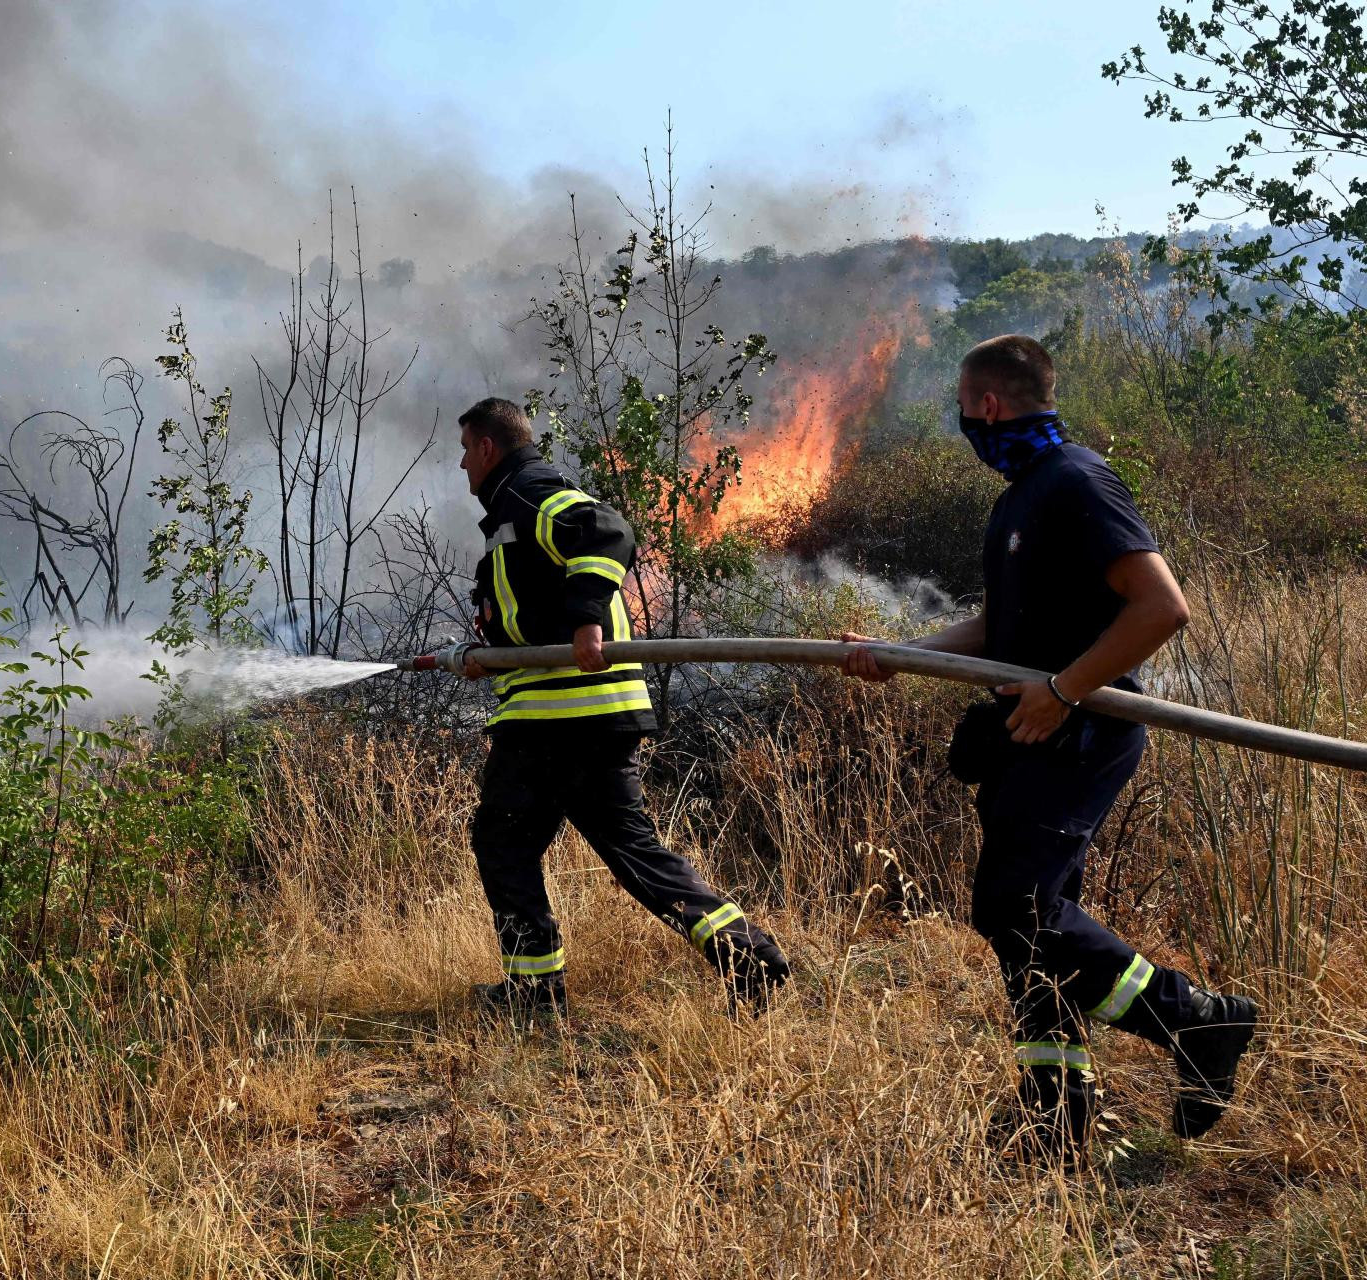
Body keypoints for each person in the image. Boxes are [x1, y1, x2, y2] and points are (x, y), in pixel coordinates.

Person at [840, 335, 1259, 1159]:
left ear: (988, 404)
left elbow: (1163, 608)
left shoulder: (1077, 481)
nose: (964, 421)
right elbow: (998, 627)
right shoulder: (1021, 498)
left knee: (1013, 908)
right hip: (1027, 736)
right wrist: (900, 653)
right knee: (1030, 926)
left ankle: (1198, 1020)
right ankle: (1054, 1112)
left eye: (964, 406)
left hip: (1079, 734)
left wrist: (1064, 690)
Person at [456, 396, 790, 1022]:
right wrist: (488, 654)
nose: (462, 467)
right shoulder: (509, 519)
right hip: (565, 718)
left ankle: (537, 993)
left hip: (567, 719)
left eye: (465, 451)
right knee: (608, 852)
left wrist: (587, 621)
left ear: (488, 447)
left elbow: (606, 528)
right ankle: (746, 958)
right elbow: (533, 622)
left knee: (511, 842)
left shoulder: (527, 492)